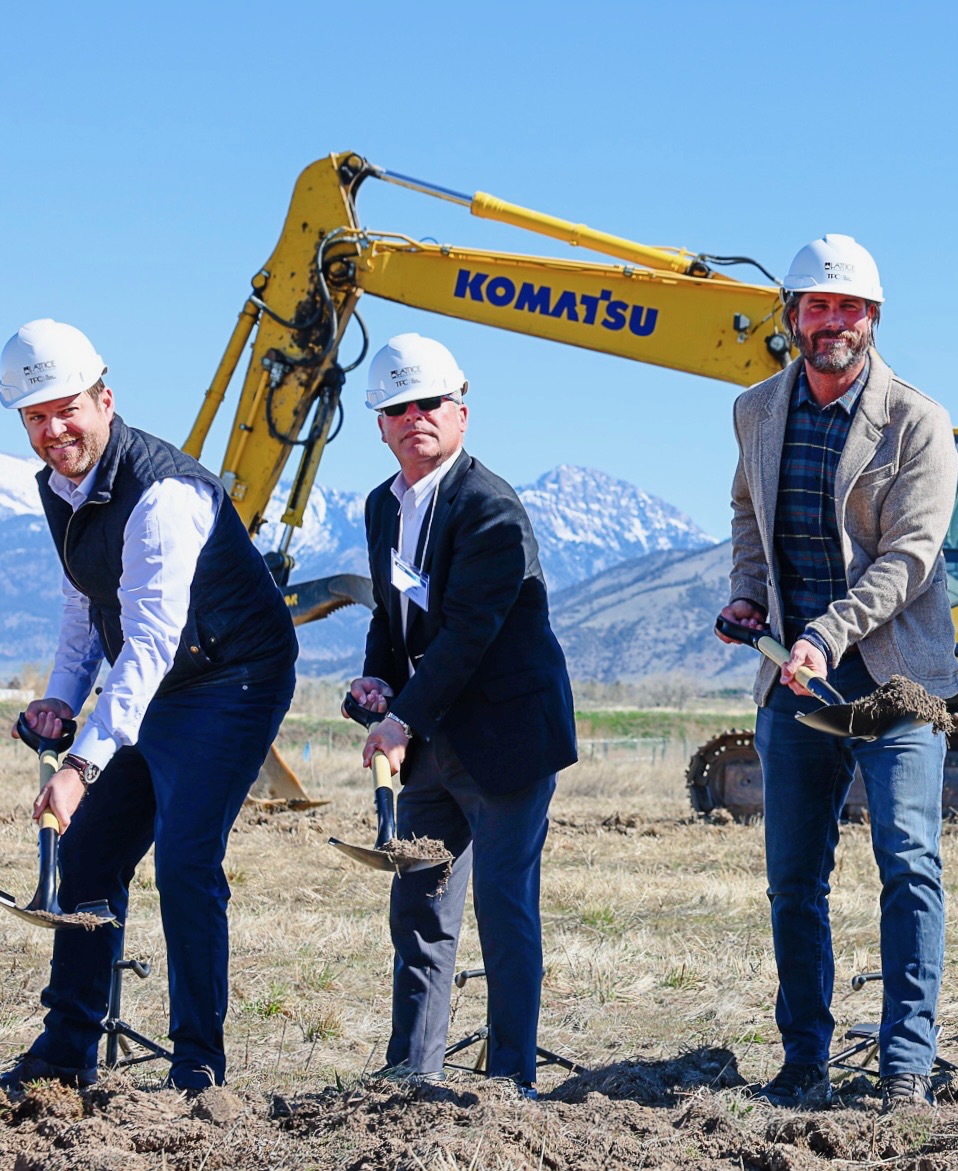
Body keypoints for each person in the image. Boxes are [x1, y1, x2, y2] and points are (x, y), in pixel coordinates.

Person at [0, 319, 298, 1095]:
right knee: (92, 853)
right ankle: (68, 1051)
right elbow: (83, 606)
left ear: (105, 398)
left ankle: (198, 1066)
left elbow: (151, 644)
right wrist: (61, 701)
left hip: (231, 675)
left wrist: (80, 764)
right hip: (161, 674)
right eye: (35, 417)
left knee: (186, 858)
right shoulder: (60, 486)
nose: (53, 430)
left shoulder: (161, 492)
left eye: (67, 409)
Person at [718, 235, 958, 1113]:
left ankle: (904, 1066)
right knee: (792, 878)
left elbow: (909, 559)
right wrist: (750, 598)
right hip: (798, 685)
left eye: (850, 308)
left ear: (874, 319)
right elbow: (748, 509)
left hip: (895, 682)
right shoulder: (755, 411)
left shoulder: (916, 420)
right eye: (817, 306)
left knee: (908, 866)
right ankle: (803, 1060)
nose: (834, 323)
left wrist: (825, 630)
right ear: (792, 317)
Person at [347, 333, 577, 1092]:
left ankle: (512, 1083)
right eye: (397, 407)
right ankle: (409, 1072)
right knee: (419, 905)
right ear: (379, 423)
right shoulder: (385, 505)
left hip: (506, 739)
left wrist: (400, 718)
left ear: (462, 414)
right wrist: (379, 682)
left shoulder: (491, 508)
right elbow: (395, 613)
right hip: (431, 739)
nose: (414, 417)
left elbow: (469, 634)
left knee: (503, 906)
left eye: (429, 404)